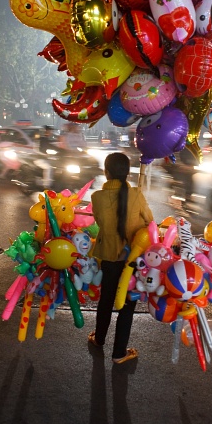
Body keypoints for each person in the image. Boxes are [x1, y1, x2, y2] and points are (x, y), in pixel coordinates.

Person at [88, 152, 154, 364]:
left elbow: (100, 223)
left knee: (106, 299)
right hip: (132, 260)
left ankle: (99, 339)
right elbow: (150, 221)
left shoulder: (97, 197)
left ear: (106, 172)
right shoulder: (136, 194)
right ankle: (119, 353)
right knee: (127, 304)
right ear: (127, 173)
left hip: (109, 257)